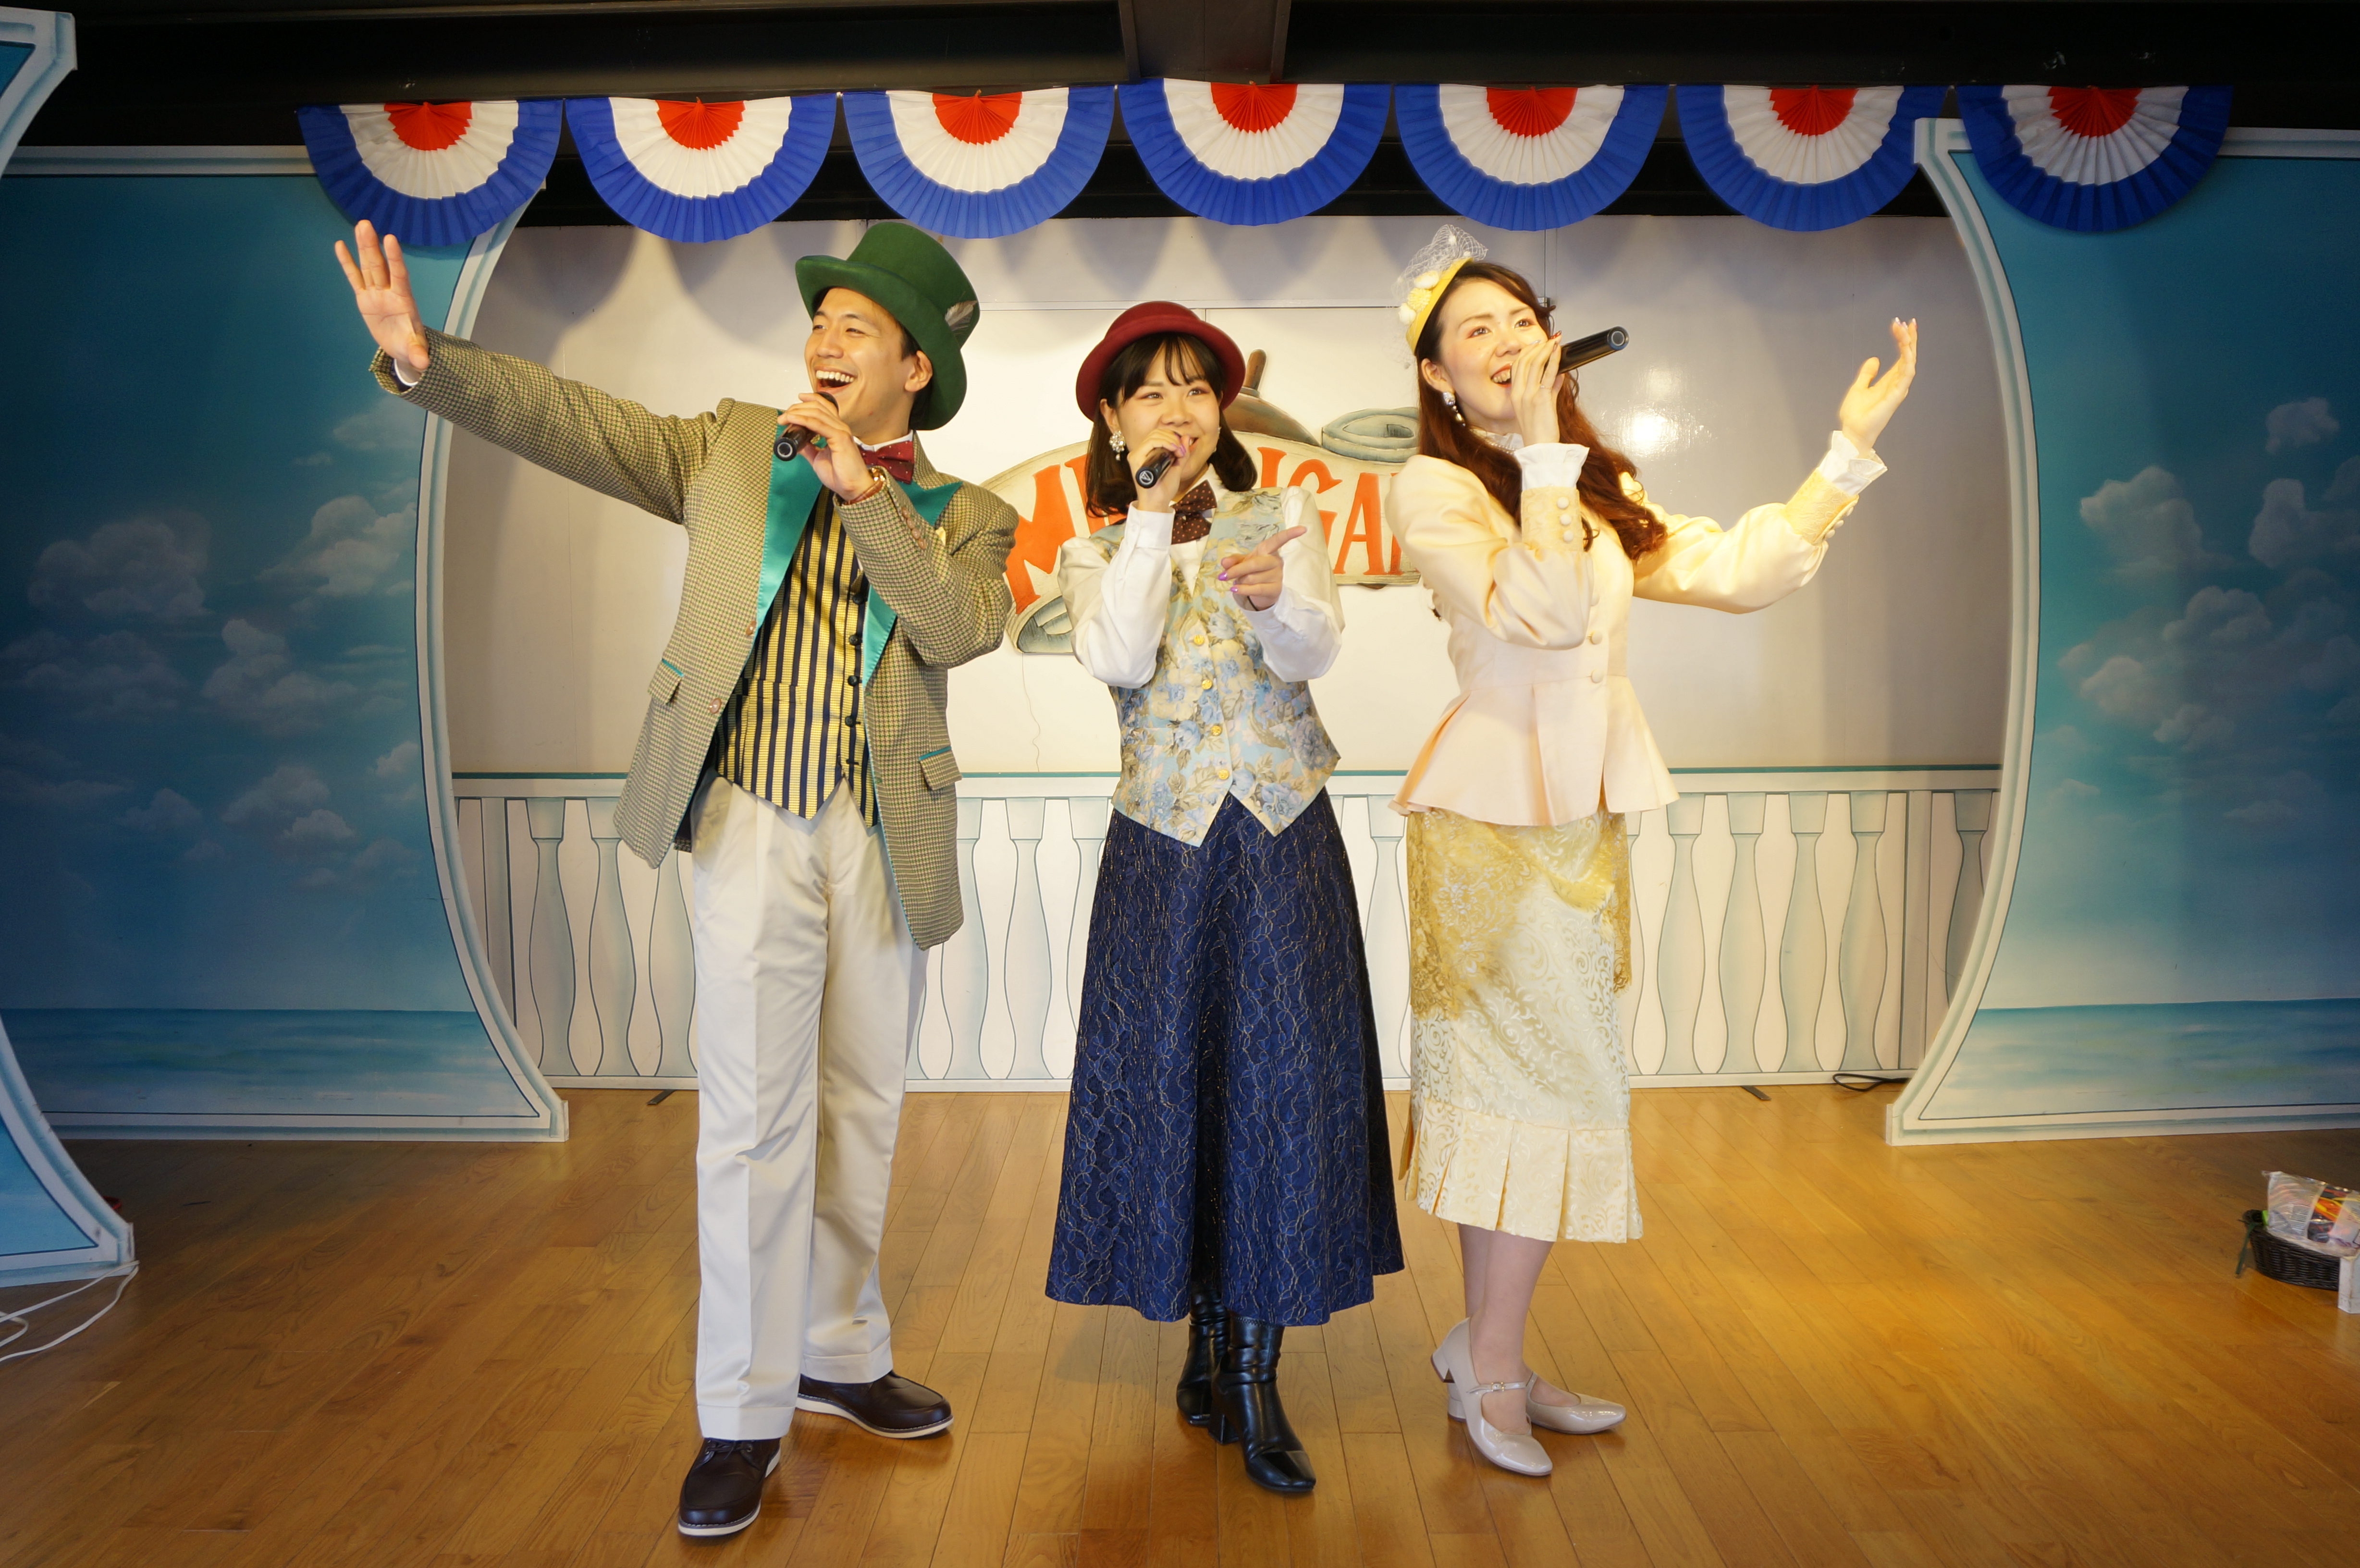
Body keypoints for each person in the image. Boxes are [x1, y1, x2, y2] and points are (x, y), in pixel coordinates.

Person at [332, 220, 1019, 1536]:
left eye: (857, 328)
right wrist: (430, 363)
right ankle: (742, 1413)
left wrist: (861, 491)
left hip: (885, 831)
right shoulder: (727, 447)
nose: (823, 342)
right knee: (754, 1115)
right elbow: (574, 424)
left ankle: (837, 1351)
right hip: (752, 813)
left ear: (915, 369)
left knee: (862, 1106)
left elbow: (953, 629)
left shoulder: (969, 516)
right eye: (820, 322)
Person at [1386, 227, 1917, 1476]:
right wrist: (1543, 455)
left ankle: (1484, 1349)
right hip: (1489, 830)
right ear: (1439, 379)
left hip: (1585, 820)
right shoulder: (1436, 491)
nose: (1507, 341)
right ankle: (1492, 1365)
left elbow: (1739, 572)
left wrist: (1848, 451)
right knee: (1523, 1091)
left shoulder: (1592, 487)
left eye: (1520, 320)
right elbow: (1539, 614)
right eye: (1475, 332)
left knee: (1548, 1093)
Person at [1044, 302, 1403, 1496]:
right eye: (1149, 392)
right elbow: (1116, 658)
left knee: (1280, 1095)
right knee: (1179, 1091)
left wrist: (1271, 600)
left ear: (1222, 410)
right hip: (1161, 854)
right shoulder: (1096, 552)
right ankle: (1205, 1347)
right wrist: (1150, 521)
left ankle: (1252, 1375)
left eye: (1196, 389)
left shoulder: (1281, 521)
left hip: (1281, 843)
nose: (1177, 411)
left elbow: (1311, 654)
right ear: (1112, 419)